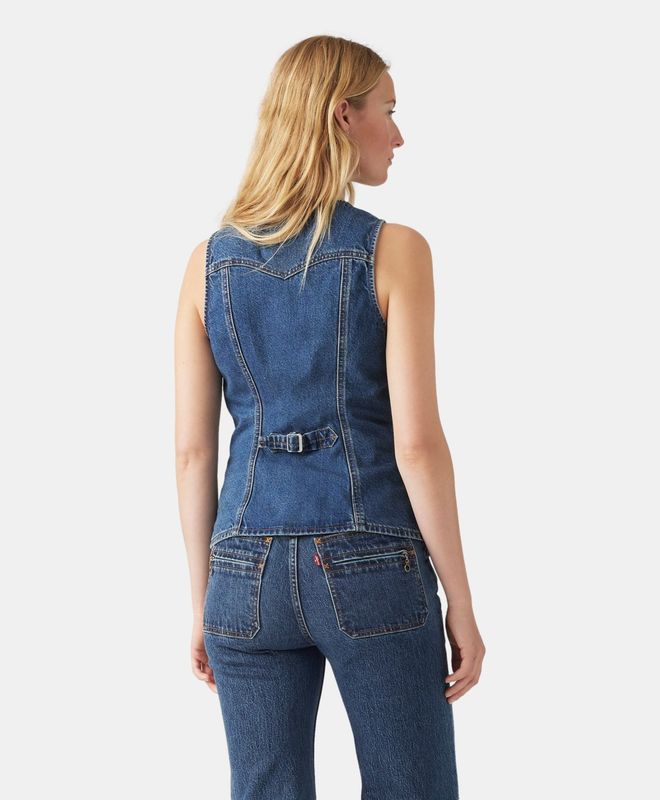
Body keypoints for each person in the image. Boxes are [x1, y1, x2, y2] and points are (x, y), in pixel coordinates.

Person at [174, 34, 485, 800]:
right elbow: (418, 445)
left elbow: (191, 453)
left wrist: (205, 599)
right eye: (388, 110)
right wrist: (462, 601)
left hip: (241, 571)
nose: (398, 135)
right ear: (343, 116)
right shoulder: (394, 251)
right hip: (370, 562)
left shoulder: (208, 264)